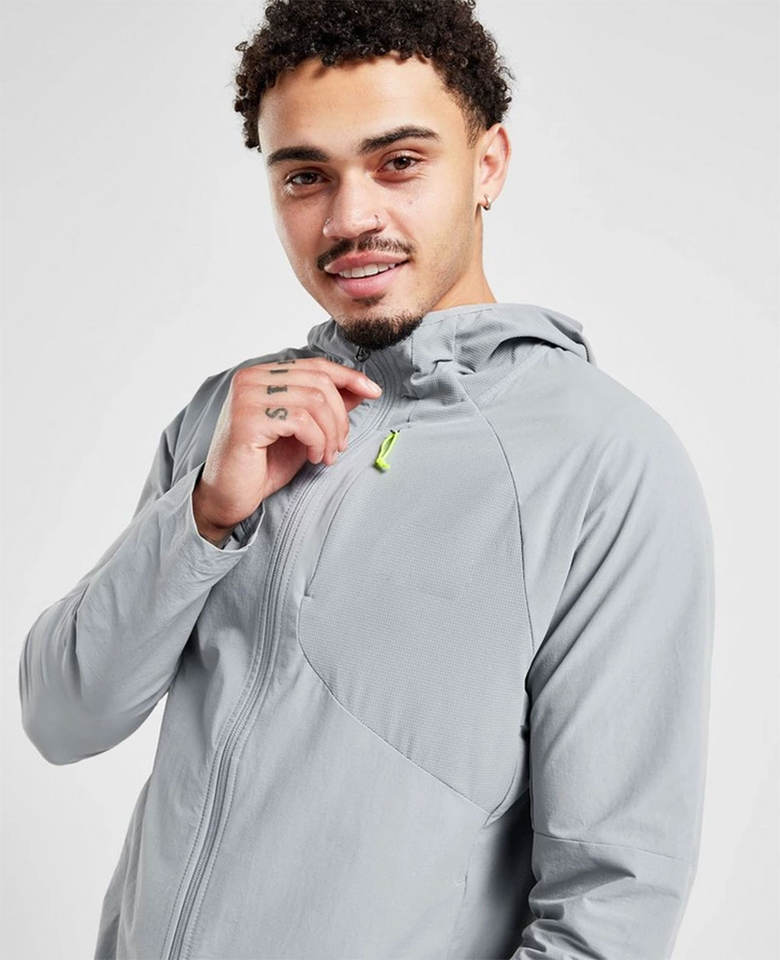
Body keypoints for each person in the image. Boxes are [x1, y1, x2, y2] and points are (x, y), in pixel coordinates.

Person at [18, 1, 715, 958]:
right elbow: (62, 717)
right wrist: (205, 516)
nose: (350, 219)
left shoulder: (602, 461)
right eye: (306, 176)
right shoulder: (230, 418)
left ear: (488, 165)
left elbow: (613, 903)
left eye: (399, 162)